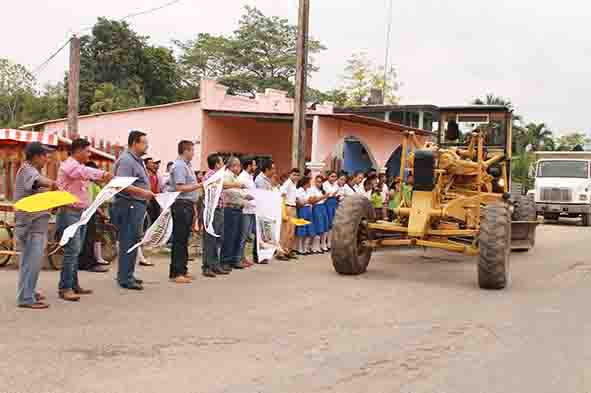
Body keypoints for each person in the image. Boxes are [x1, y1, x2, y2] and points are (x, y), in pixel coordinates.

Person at [56, 138, 112, 302]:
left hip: (80, 212)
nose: (89, 154)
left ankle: (73, 285)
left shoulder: (77, 166)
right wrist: (103, 174)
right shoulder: (70, 165)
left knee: (76, 250)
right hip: (69, 212)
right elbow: (83, 172)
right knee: (72, 250)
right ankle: (65, 287)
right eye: (87, 151)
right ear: (78, 150)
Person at [15, 142, 57, 309]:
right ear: (37, 156)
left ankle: (28, 292)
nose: (47, 159)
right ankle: (26, 297)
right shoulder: (28, 170)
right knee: (32, 261)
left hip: (33, 224)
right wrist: (51, 183)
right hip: (31, 225)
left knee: (28, 261)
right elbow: (37, 182)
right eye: (45, 156)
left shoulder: (30, 170)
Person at [111, 130, 155, 290]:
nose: (147, 145)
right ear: (135, 143)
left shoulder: (137, 161)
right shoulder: (126, 161)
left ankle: (128, 274)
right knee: (128, 240)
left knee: (133, 240)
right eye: (144, 142)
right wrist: (144, 193)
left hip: (137, 205)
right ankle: (125, 278)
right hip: (128, 204)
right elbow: (122, 185)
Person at [170, 140, 203, 282]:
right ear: (186, 151)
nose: (193, 154)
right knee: (179, 240)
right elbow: (180, 187)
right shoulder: (179, 166)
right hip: (181, 205)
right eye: (192, 151)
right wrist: (199, 185)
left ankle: (182, 269)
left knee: (184, 239)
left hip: (188, 205)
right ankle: (177, 273)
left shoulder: (186, 166)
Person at [221, 156, 253, 270]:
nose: (238, 168)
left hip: (238, 208)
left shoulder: (235, 177)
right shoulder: (226, 175)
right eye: (235, 165)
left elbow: (238, 190)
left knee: (236, 235)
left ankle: (233, 259)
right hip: (230, 208)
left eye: (239, 165)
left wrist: (245, 197)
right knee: (229, 236)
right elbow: (228, 190)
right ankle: (225, 261)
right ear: (230, 166)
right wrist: (243, 195)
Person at [78, 161, 110, 273]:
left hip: (87, 212)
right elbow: (92, 202)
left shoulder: (88, 183)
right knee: (88, 239)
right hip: (87, 212)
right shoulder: (88, 184)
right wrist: (101, 213)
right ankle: (88, 263)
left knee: (87, 239)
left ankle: (85, 263)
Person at [202, 154, 231, 276]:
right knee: (210, 238)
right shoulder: (210, 175)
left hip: (219, 209)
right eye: (221, 162)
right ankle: (207, 266)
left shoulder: (218, 175)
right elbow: (221, 185)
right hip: (212, 210)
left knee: (218, 238)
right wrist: (236, 185)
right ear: (216, 164)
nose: (223, 165)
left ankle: (215, 264)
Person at [238, 157, 258, 267]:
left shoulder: (250, 177)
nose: (255, 167)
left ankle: (243, 256)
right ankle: (239, 257)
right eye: (254, 165)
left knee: (247, 236)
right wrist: (247, 197)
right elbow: (241, 193)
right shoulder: (242, 178)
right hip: (245, 210)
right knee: (243, 235)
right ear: (249, 166)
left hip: (251, 209)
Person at [279, 168, 301, 260]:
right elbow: (282, 196)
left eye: (297, 175)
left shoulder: (294, 184)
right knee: (285, 232)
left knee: (291, 232)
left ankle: (288, 251)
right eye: (294, 175)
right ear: (290, 175)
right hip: (287, 207)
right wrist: (284, 211)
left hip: (293, 207)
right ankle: (280, 253)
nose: (296, 177)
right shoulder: (287, 183)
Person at [295, 176, 315, 255]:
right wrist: (307, 201)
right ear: (305, 183)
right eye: (309, 182)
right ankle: (299, 248)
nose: (310, 184)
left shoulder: (309, 190)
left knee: (309, 229)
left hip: (308, 209)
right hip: (302, 209)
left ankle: (305, 248)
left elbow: (311, 199)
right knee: (301, 229)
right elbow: (299, 201)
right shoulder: (299, 190)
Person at [309, 175, 329, 253]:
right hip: (316, 208)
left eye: (320, 182)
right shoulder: (312, 189)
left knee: (323, 227)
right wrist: (323, 197)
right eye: (317, 181)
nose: (319, 183)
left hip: (323, 207)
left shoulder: (322, 190)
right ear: (315, 182)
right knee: (318, 227)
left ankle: (319, 246)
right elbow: (313, 201)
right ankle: (314, 247)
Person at [322, 171, 339, 250]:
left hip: (334, 203)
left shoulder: (336, 184)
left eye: (335, 176)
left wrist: (335, 194)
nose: (333, 178)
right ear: (328, 177)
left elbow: (337, 193)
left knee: (333, 224)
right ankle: (323, 243)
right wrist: (333, 194)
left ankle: (330, 242)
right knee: (327, 224)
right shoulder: (325, 184)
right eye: (332, 176)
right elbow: (328, 195)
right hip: (327, 204)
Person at [144, 157, 162, 225]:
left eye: (152, 162)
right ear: (146, 164)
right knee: (149, 218)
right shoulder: (144, 174)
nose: (152, 164)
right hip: (148, 198)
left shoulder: (155, 174)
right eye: (151, 163)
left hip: (156, 198)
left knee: (156, 218)